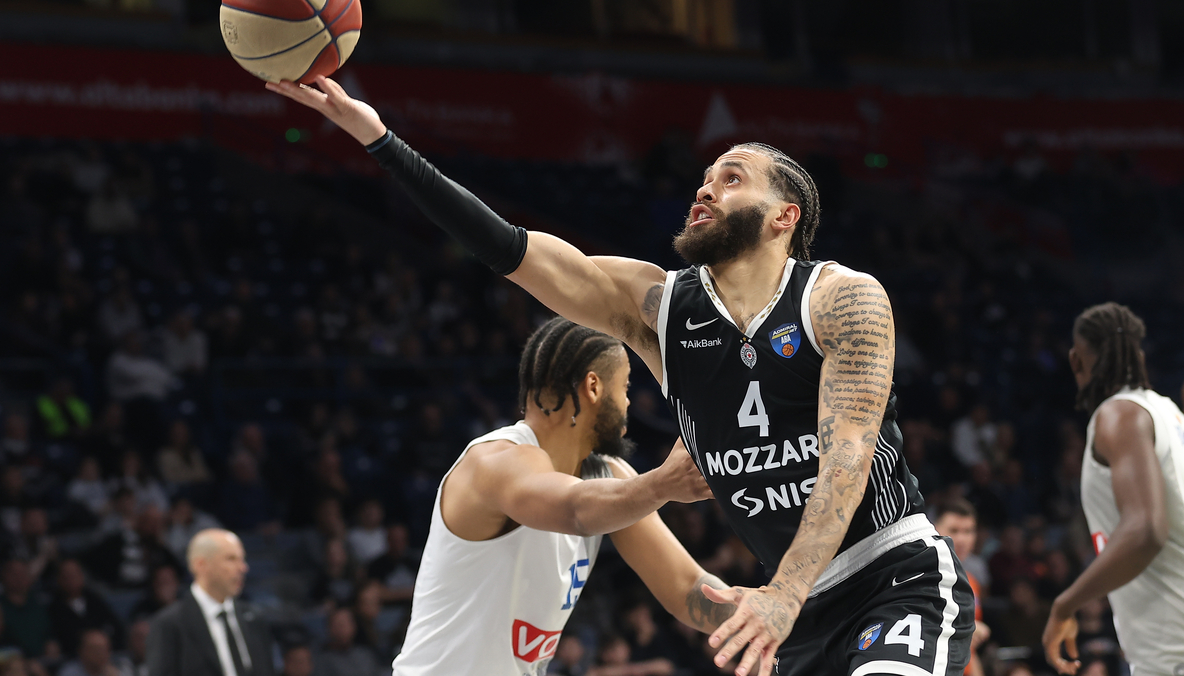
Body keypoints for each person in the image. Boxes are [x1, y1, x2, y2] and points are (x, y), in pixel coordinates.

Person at [270, 75, 975, 676]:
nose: (704, 190)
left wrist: (782, 594)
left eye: (731, 180)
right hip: (793, 616)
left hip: (891, 575)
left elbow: (847, 455)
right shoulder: (661, 311)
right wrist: (381, 141)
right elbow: (512, 251)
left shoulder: (841, 297)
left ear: (782, 218)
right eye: (703, 179)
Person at [389, 317, 732, 676]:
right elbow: (575, 511)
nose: (629, 402)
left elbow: (687, 588)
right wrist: (662, 484)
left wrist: (769, 615)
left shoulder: (610, 476)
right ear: (594, 387)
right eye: (625, 386)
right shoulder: (495, 462)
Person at [1042, 303, 1184, 676]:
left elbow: (1146, 529)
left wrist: (1065, 605)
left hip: (1172, 653)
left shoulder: (1118, 415)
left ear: (1076, 361)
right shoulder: (1169, 413)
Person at [145, 529, 274, 676]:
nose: (243, 568)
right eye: (231, 559)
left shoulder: (254, 618)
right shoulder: (169, 624)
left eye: (242, 559)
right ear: (200, 565)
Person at [934, 501, 990, 676]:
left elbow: (969, 650)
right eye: (954, 531)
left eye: (968, 531)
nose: (961, 539)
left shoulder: (971, 582)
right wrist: (964, 629)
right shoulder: (919, 577)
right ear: (934, 529)